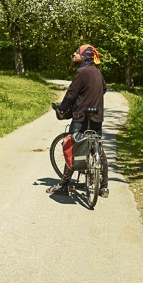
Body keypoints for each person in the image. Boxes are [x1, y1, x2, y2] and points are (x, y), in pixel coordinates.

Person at [47, 44, 109, 197]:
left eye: (77, 52)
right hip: (97, 116)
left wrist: (62, 108)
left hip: (81, 117)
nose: (74, 54)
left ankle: (64, 184)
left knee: (72, 147)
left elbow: (71, 95)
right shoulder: (97, 72)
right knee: (98, 149)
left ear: (85, 56)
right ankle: (104, 187)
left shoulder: (81, 72)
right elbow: (104, 89)